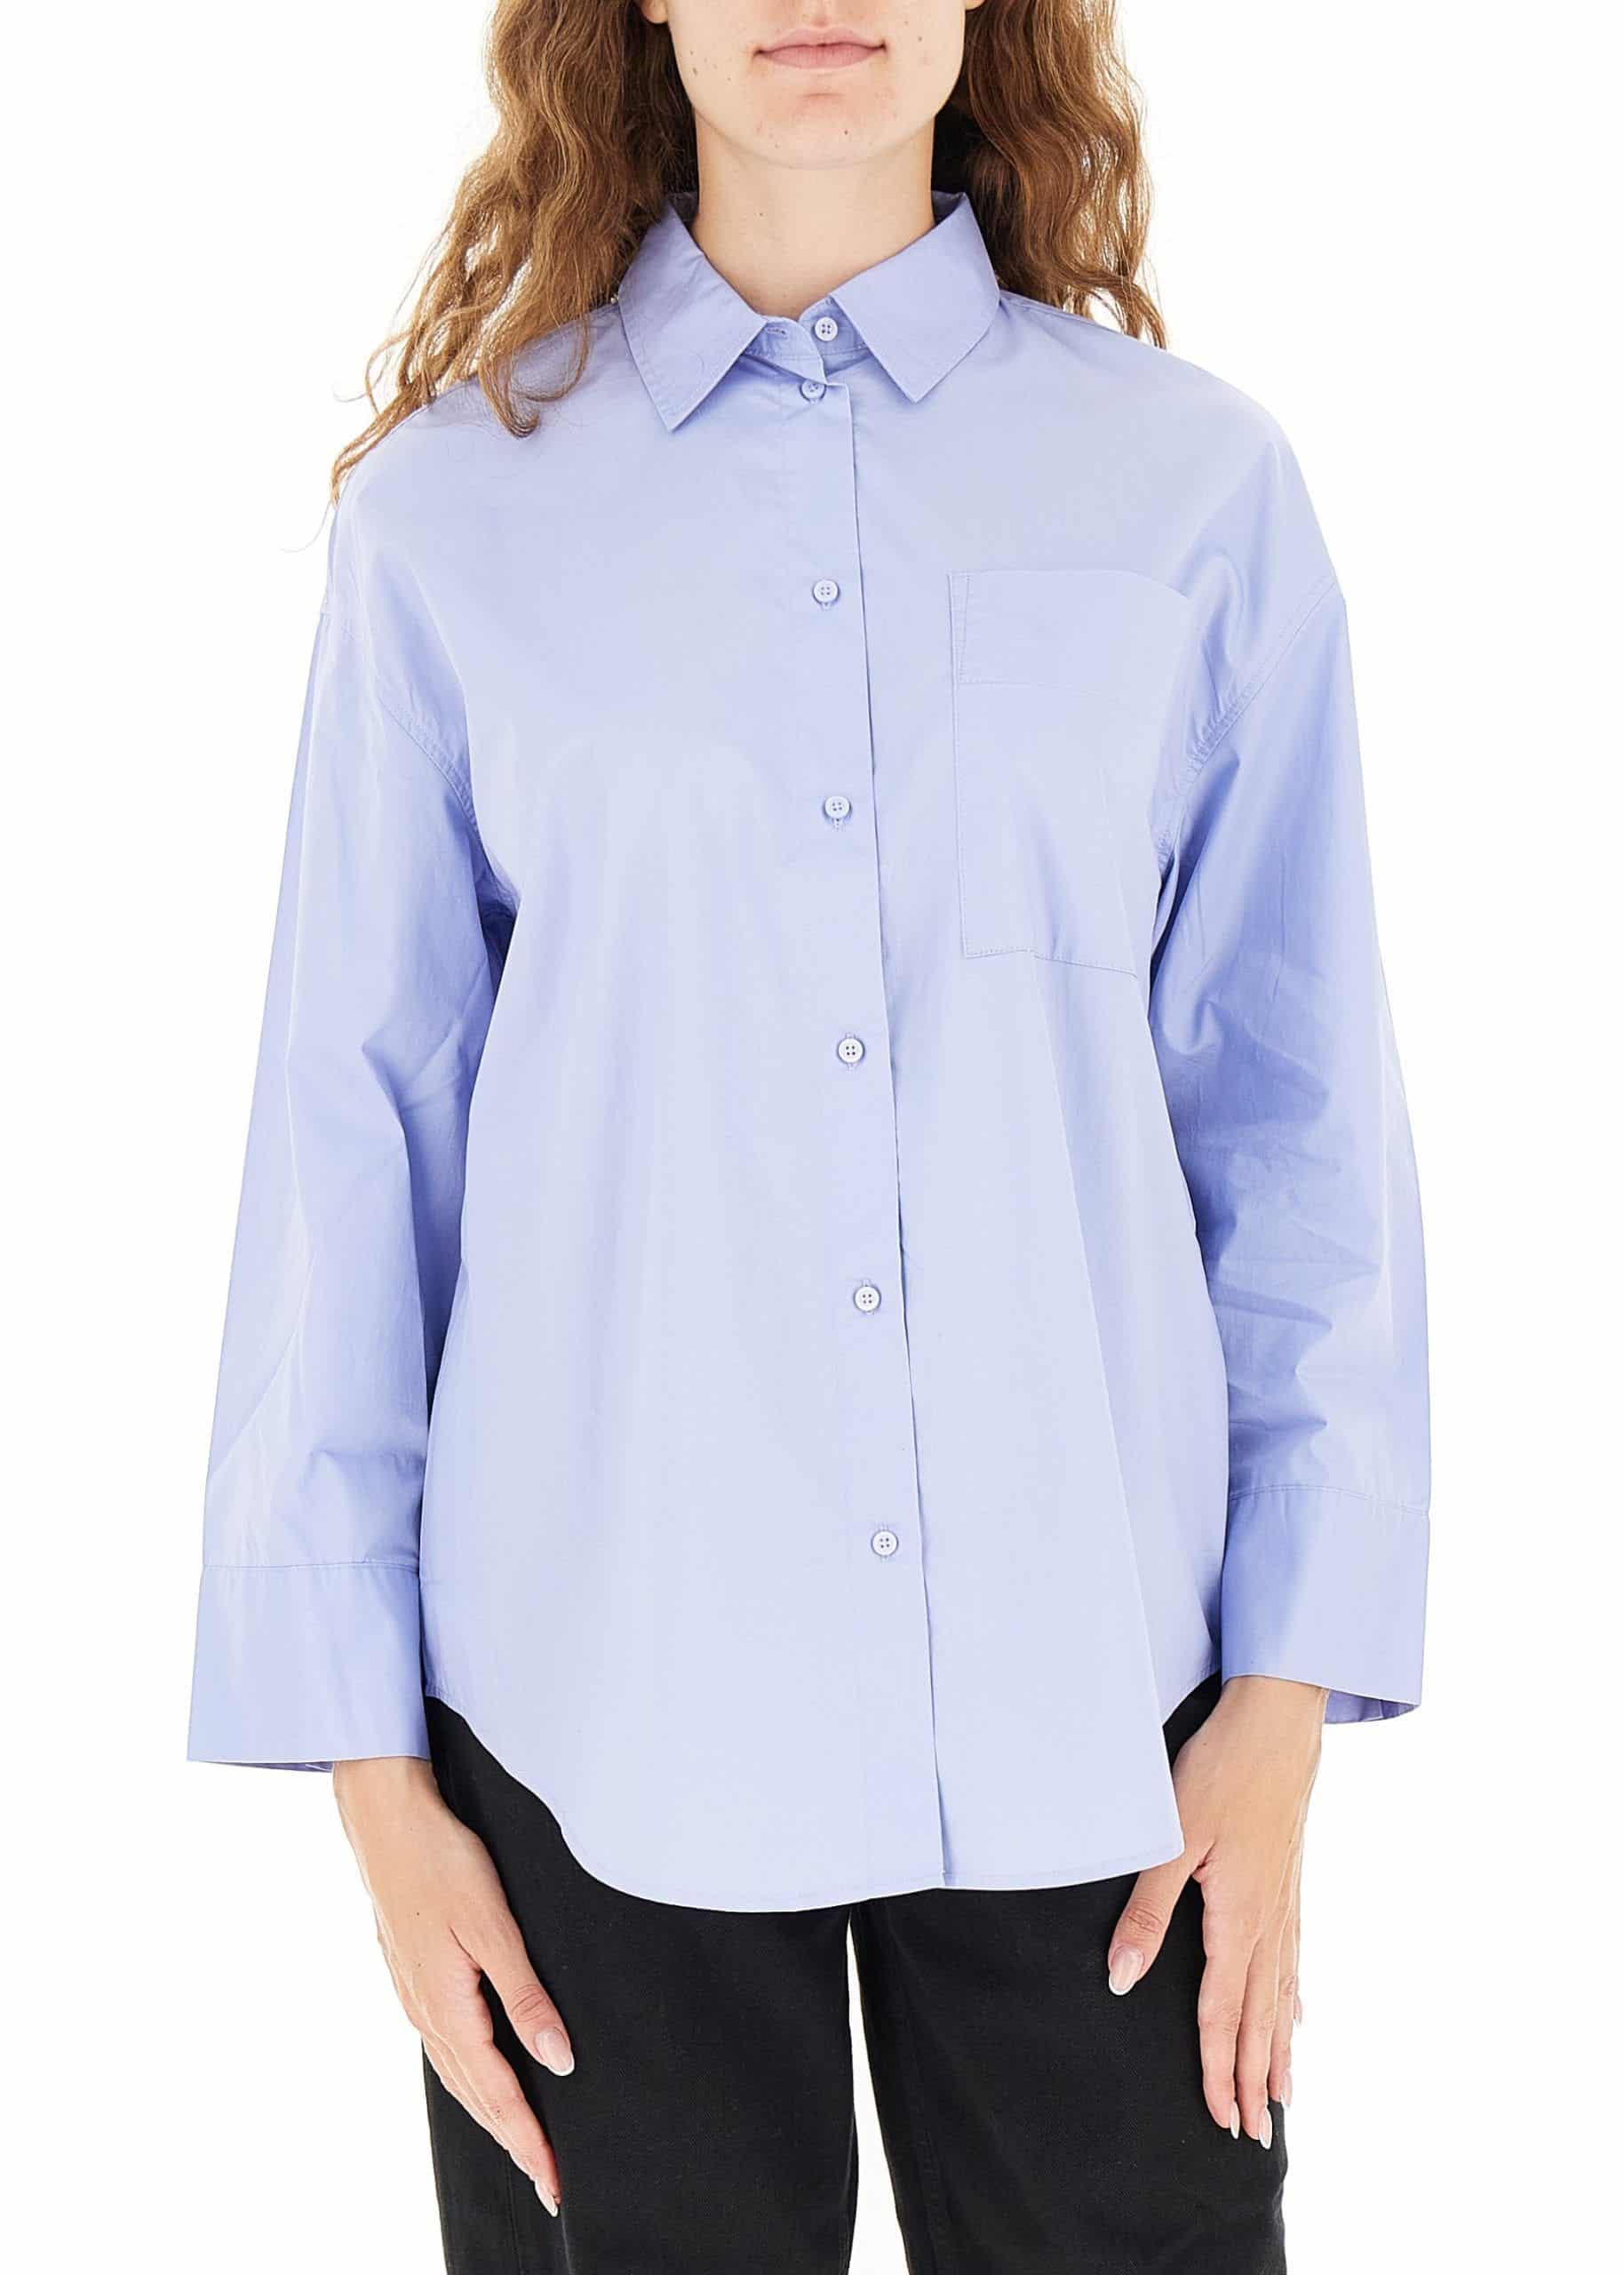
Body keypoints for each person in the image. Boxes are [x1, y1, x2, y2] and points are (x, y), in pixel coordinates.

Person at [187, 4, 1429, 2268]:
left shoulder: (1194, 494)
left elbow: (1300, 1119)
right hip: (590, 1715)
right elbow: (353, 1154)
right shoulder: (453, 518)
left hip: (1107, 1718)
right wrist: (378, 1789)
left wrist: (1280, 1705)